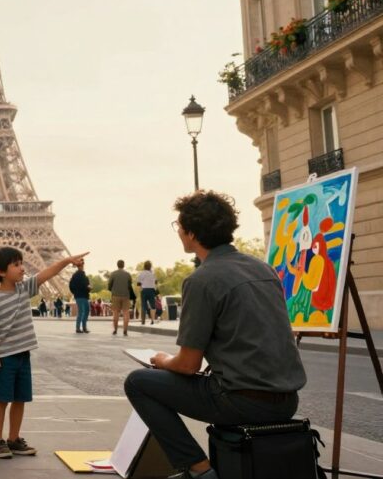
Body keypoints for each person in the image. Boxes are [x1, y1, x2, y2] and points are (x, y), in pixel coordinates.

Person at [125, 191, 307, 479]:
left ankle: (199, 470)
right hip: (287, 400)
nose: (180, 232)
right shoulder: (265, 269)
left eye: (180, 226)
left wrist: (161, 360)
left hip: (243, 402)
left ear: (192, 234)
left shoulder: (201, 280)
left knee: (138, 382)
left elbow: (187, 365)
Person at [0, 247, 88, 458]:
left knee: (20, 399)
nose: (22, 268)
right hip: (4, 356)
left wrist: (66, 260)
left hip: (23, 354)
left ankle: (13, 438)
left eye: (22, 263)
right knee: (1, 400)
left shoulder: (24, 288)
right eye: (16, 265)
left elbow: (47, 272)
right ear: (1, 272)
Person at [108, 260, 132, 336]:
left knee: (115, 313)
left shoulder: (113, 274)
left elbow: (109, 285)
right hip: (125, 295)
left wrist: (112, 290)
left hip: (115, 295)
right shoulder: (128, 274)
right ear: (123, 265)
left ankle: (115, 330)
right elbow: (129, 285)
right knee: (126, 312)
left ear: (117, 265)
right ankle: (125, 330)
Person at [69, 260, 91, 333]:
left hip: (81, 296)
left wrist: (75, 292)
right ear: (81, 266)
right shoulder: (82, 276)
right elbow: (85, 285)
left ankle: (81, 327)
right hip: (82, 295)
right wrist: (88, 288)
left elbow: (71, 286)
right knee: (83, 311)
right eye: (82, 265)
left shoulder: (75, 276)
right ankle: (80, 328)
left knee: (83, 311)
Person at [137, 260, 158, 325]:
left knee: (143, 306)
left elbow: (138, 283)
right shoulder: (153, 273)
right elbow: (156, 282)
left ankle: (143, 321)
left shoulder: (141, 273)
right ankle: (152, 320)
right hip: (152, 290)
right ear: (150, 267)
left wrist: (141, 288)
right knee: (153, 306)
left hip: (144, 290)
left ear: (144, 266)